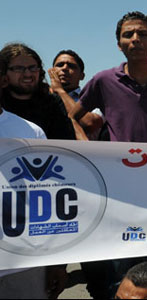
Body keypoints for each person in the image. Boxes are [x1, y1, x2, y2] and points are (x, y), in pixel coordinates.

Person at [71, 11, 147, 298]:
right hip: (121, 189)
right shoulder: (103, 80)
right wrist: (85, 146)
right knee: (124, 264)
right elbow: (74, 117)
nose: (135, 39)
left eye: (142, 34)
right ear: (119, 44)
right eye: (128, 35)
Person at [0, 53, 67, 299]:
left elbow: (49, 200)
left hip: (22, 263)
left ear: (3, 80)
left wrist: (57, 261)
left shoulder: (30, 132)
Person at [0, 43, 76, 140]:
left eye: (33, 68)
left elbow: (65, 142)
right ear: (3, 75)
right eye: (19, 68)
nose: (28, 74)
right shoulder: (1, 105)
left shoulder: (52, 103)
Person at [49, 50, 104, 140]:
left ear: (82, 76)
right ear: (52, 71)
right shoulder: (41, 97)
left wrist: (60, 91)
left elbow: (88, 123)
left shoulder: (94, 99)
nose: (65, 68)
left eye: (71, 66)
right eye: (60, 65)